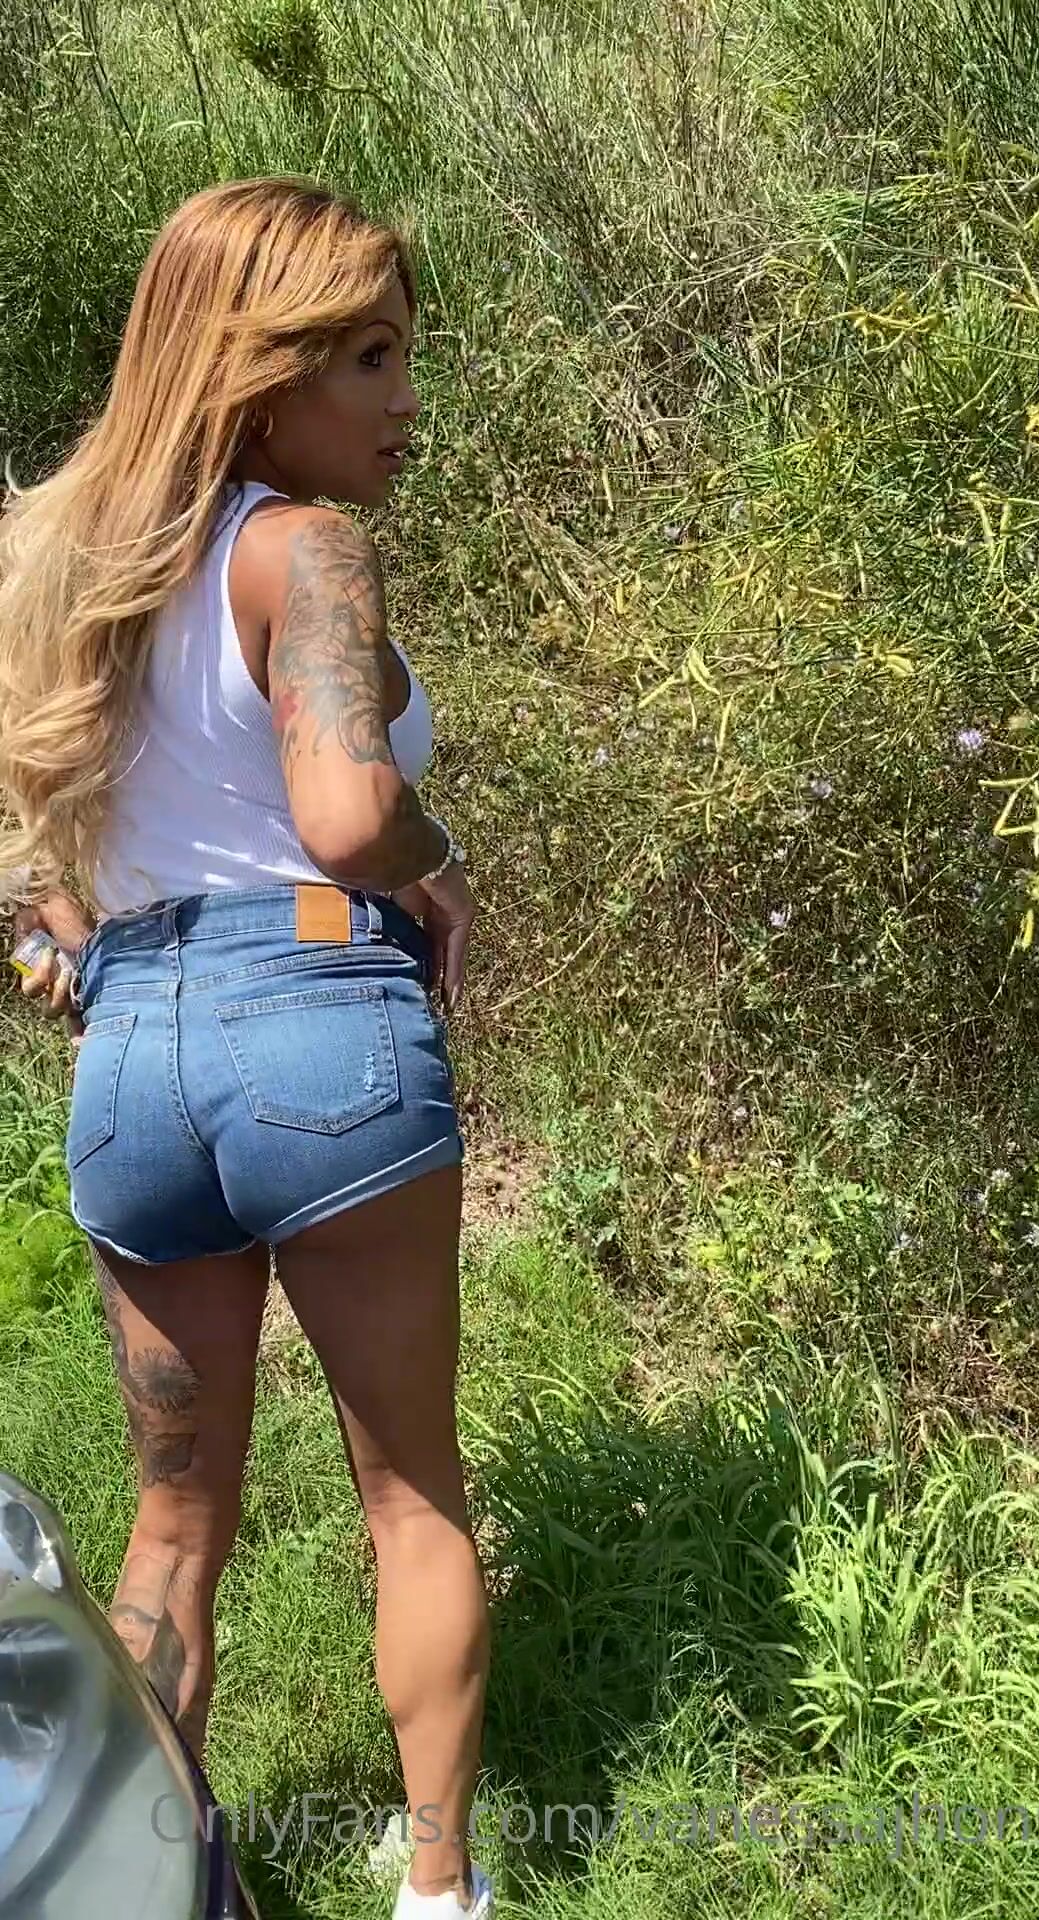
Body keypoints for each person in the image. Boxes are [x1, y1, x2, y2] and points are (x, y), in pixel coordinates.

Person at [0, 177, 492, 1919]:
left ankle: (150, 1885)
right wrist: (435, 864)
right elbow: (344, 815)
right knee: (411, 1498)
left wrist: (55, 935)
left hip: (135, 1051)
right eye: (368, 358)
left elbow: (26, 854)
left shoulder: (58, 571)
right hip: (321, 1024)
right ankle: (439, 1888)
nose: (406, 399)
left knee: (172, 1524)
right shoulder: (304, 550)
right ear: (256, 372)